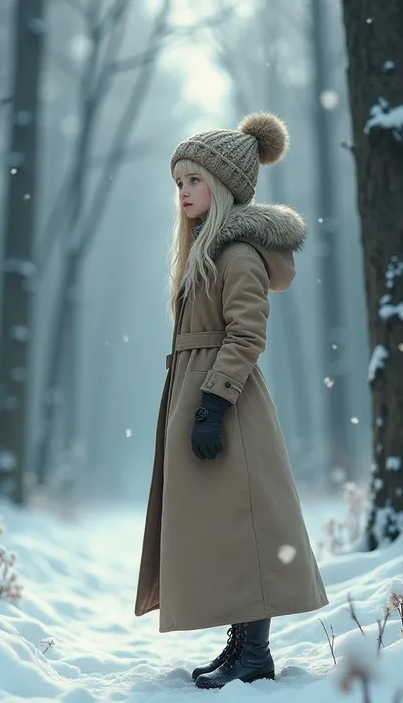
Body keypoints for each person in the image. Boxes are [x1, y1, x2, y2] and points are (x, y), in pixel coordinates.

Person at [134, 112, 328, 690]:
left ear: (221, 187)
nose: (185, 192)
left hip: (230, 402)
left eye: (195, 181)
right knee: (226, 524)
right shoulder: (202, 252)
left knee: (248, 525)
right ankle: (241, 643)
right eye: (179, 183)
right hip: (201, 394)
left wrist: (213, 404)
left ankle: (256, 652)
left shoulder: (237, 252)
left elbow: (247, 335)